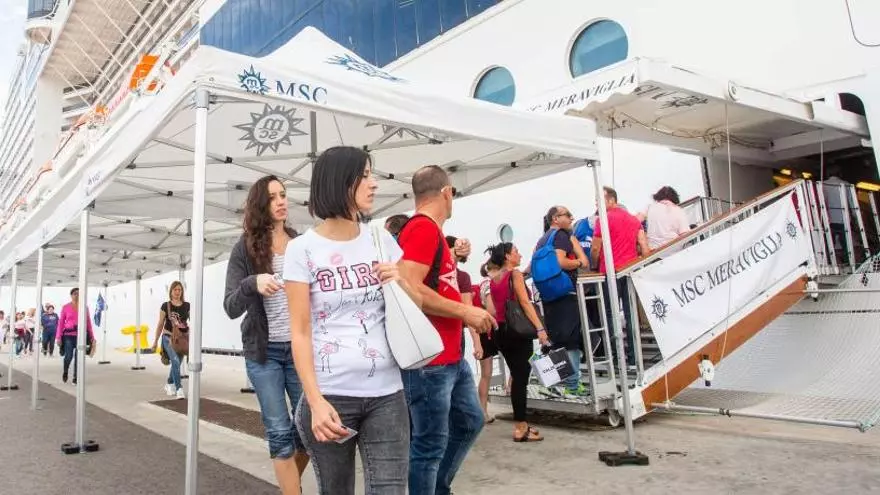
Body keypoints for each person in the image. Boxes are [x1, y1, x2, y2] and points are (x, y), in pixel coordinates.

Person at [285, 146, 421, 494]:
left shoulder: (382, 239)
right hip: (330, 396)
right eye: (365, 176)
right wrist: (314, 401)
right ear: (339, 181)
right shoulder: (302, 249)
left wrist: (400, 281)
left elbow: (416, 304)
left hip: (387, 394)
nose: (374, 184)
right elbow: (299, 331)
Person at [397, 165, 495, 495]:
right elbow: (409, 286)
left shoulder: (432, 232)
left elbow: (431, 279)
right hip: (431, 361)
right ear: (446, 192)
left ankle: (439, 488)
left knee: (470, 420)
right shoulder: (422, 228)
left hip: (449, 357)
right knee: (429, 445)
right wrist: (465, 311)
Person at [224, 175, 308, 495]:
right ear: (261, 204)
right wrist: (252, 283)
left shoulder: (301, 243)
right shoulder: (244, 248)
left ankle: (288, 487)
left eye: (283, 194)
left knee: (308, 431)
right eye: (273, 197)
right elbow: (230, 306)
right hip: (265, 354)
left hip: (300, 349)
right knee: (280, 432)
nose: (281, 201)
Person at [486, 242, 547, 442]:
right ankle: (521, 427)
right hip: (517, 332)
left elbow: (496, 307)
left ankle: (522, 423)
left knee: (516, 376)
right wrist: (540, 328)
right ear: (507, 256)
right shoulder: (515, 274)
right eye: (516, 252)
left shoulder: (495, 278)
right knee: (520, 380)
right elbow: (524, 302)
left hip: (501, 331)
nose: (519, 255)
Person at [590, 187, 650, 368]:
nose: (597, 204)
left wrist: (593, 266)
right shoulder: (633, 220)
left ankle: (617, 357)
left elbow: (595, 248)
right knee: (630, 313)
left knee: (610, 314)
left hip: (610, 272)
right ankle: (633, 357)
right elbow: (644, 247)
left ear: (611, 200)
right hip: (629, 271)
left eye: (599, 200)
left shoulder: (603, 219)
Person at [536, 205, 589, 398]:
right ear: (555, 218)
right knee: (571, 340)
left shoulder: (542, 239)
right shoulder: (561, 236)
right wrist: (579, 262)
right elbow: (561, 261)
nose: (572, 217)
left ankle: (550, 383)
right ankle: (572, 385)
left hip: (548, 294)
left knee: (557, 340)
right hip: (564, 292)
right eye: (567, 214)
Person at [151, 281, 189, 399]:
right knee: (175, 361)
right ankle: (179, 389)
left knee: (177, 363)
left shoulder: (187, 306)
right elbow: (160, 324)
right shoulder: (165, 306)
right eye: (175, 290)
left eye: (179, 290)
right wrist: (155, 341)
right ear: (171, 291)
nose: (177, 292)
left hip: (181, 339)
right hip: (168, 336)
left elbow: (193, 321)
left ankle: (169, 383)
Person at [472, 262, 500, 424]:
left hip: (483, 331)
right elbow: (491, 310)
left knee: (486, 374)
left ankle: (482, 411)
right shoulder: (489, 284)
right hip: (490, 329)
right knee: (487, 374)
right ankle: (483, 411)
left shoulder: (482, 284)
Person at [55, 288, 95, 384]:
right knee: (68, 356)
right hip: (68, 335)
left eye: (79, 294)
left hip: (81, 336)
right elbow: (61, 323)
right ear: (71, 295)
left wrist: (92, 337)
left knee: (79, 357)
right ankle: (65, 371)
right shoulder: (66, 307)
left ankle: (76, 377)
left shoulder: (85, 307)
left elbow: (88, 323)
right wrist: (58, 337)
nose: (77, 295)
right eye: (75, 293)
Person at [643, 186, 690, 250]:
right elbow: (685, 235)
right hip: (672, 250)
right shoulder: (677, 211)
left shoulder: (650, 208)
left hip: (653, 251)